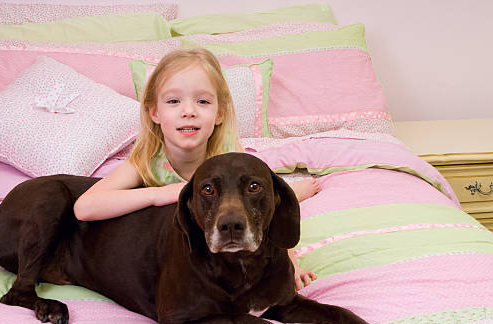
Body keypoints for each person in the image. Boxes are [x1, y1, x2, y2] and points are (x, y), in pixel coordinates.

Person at [74, 48, 318, 290]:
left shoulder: (228, 159)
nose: (188, 111)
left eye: (202, 101)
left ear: (219, 112)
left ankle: (292, 191)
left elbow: (266, 216)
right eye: (173, 101)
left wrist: (291, 263)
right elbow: (85, 207)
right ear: (155, 112)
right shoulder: (147, 162)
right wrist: (159, 194)